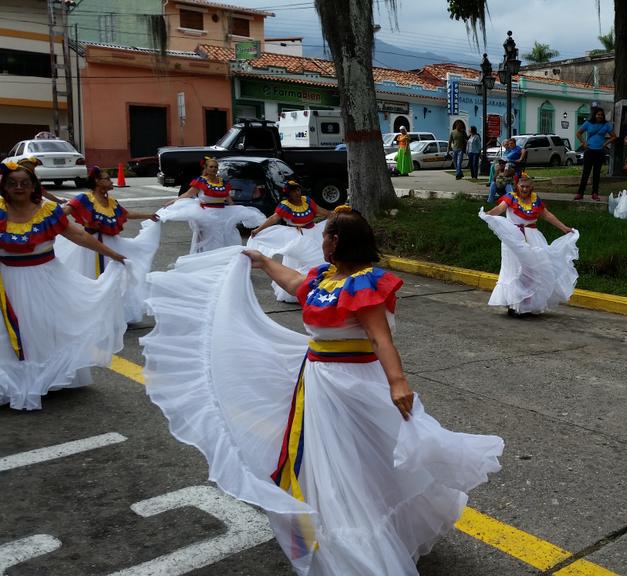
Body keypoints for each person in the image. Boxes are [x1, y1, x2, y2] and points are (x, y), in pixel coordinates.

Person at [141, 207, 504, 574]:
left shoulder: (364, 283)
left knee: (360, 458)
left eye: (325, 234)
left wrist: (398, 382)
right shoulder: (324, 277)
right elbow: (296, 283)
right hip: (320, 383)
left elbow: (380, 338)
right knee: (333, 461)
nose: (321, 240)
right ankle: (349, 525)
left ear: (336, 241)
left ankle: (366, 544)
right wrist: (264, 262)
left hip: (356, 383)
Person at [0, 162, 128, 410]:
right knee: (7, 334)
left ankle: (46, 379)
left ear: (34, 186)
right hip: (7, 281)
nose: (19, 187)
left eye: (25, 183)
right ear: (4, 186)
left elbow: (78, 235)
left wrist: (112, 253)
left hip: (45, 279)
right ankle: (11, 385)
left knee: (43, 327)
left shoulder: (47, 211)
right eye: (12, 183)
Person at [55, 166, 162, 323]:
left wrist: (149, 215)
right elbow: (65, 211)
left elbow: (127, 214)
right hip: (91, 245)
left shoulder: (111, 202)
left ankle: (111, 313)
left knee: (114, 277)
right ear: (97, 181)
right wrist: (45, 218)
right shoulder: (84, 198)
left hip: (112, 244)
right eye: (107, 179)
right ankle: (94, 314)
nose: (111, 181)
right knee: (93, 276)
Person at [479, 175, 579, 316]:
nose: (525, 189)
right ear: (517, 186)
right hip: (514, 238)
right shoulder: (511, 197)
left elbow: (547, 215)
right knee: (515, 270)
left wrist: (564, 228)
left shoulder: (535, 199)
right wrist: (487, 215)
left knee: (535, 270)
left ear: (531, 187)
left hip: (533, 237)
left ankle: (528, 306)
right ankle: (514, 305)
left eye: (527, 187)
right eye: (522, 186)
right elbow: (499, 209)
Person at [246, 180, 334, 302]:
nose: (297, 193)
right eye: (293, 191)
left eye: (298, 190)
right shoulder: (285, 205)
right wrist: (258, 229)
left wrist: (334, 215)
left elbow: (321, 211)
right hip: (298, 236)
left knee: (318, 259)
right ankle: (298, 291)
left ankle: (320, 288)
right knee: (300, 262)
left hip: (314, 232)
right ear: (288, 194)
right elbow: (274, 218)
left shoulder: (307, 201)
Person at [157, 156, 264, 253]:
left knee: (225, 236)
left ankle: (221, 258)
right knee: (210, 238)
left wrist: (233, 209)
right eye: (211, 167)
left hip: (222, 212)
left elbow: (227, 197)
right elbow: (188, 194)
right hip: (206, 214)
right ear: (206, 168)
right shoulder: (201, 181)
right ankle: (208, 257)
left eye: (215, 167)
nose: (213, 169)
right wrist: (174, 201)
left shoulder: (222, 182)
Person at [575, 107, 616, 201]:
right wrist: (584, 142)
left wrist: (606, 143)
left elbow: (614, 136)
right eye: (598, 114)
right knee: (586, 173)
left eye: (601, 115)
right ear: (594, 115)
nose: (600, 116)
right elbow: (578, 133)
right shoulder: (588, 123)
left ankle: (595, 193)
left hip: (600, 151)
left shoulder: (606, 125)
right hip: (589, 150)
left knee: (597, 173)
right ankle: (580, 193)